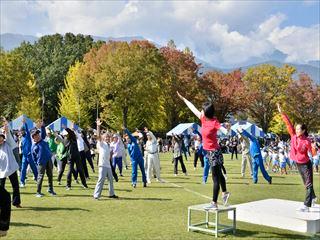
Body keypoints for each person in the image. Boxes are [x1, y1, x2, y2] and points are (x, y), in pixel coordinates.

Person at [177, 91, 230, 210]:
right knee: (218, 174)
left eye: (202, 110)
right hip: (208, 152)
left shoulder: (214, 122)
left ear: (206, 112)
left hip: (214, 152)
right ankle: (225, 192)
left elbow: (225, 132)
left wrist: (227, 127)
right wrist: (184, 98)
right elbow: (193, 108)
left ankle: (214, 203)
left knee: (215, 177)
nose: (200, 111)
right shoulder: (203, 119)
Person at [277, 103, 317, 211]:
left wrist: (314, 148)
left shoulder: (307, 140)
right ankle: (313, 197)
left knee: (308, 184)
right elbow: (288, 123)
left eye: (299, 129)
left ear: (303, 131)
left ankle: (306, 205)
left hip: (306, 164)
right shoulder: (293, 136)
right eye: (296, 128)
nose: (296, 130)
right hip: (298, 163)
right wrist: (282, 112)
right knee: (306, 183)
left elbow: (313, 154)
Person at [93, 119, 118, 200]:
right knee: (101, 180)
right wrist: (98, 126)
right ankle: (96, 195)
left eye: (108, 137)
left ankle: (111, 194)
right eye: (106, 137)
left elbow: (109, 155)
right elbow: (98, 135)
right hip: (102, 165)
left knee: (111, 180)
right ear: (103, 138)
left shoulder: (108, 145)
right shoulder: (102, 143)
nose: (107, 138)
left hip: (108, 165)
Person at [31, 121, 56, 197]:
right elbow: (33, 157)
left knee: (50, 175)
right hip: (41, 163)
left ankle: (50, 189)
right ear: (33, 137)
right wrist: (37, 163)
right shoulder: (33, 146)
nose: (38, 135)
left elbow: (43, 133)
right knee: (40, 177)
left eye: (38, 134)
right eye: (36, 135)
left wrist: (42, 126)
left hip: (49, 160)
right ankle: (38, 192)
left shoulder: (43, 139)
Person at [0, 121, 21, 208]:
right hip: (1, 171)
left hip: (11, 168)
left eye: (1, 138)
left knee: (15, 186)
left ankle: (16, 202)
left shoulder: (9, 143)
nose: (0, 140)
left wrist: (6, 128)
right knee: (1, 188)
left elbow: (8, 136)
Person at [19, 118, 38, 187]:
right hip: (24, 156)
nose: (21, 132)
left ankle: (37, 179)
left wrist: (25, 123)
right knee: (23, 169)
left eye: (22, 131)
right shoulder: (22, 138)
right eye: (21, 131)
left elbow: (27, 129)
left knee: (34, 168)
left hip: (30, 156)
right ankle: (22, 182)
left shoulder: (27, 135)